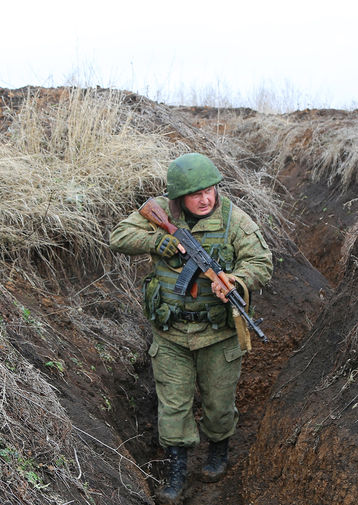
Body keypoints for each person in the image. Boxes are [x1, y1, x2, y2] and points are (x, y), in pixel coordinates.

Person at [109, 153, 273, 503]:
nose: (205, 199)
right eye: (196, 194)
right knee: (174, 405)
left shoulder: (234, 220)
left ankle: (218, 451)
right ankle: (177, 468)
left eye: (210, 190)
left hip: (217, 335)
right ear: (178, 197)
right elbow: (118, 237)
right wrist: (157, 241)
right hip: (170, 335)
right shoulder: (160, 212)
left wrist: (235, 280)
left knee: (218, 403)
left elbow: (262, 263)